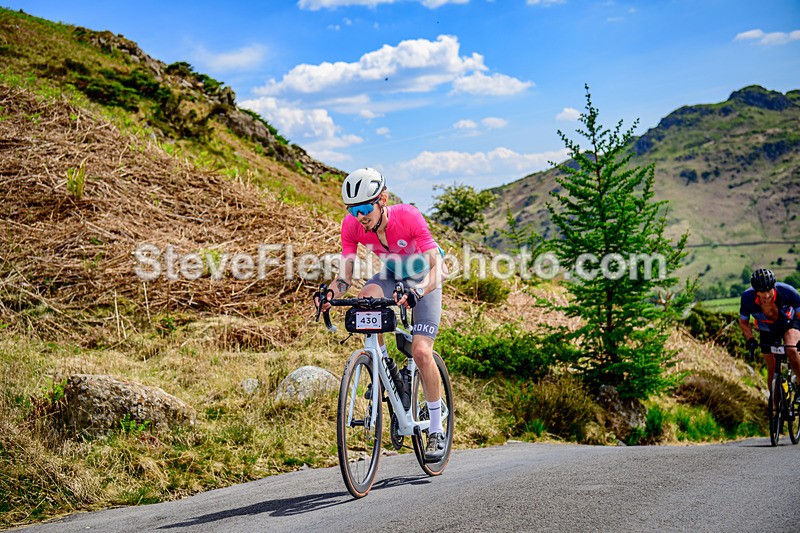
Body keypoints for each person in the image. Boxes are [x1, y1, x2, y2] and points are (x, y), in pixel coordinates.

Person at [320, 167, 448, 461]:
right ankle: (386, 368)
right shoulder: (351, 226)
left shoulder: (408, 216)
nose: (360, 216)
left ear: (383, 200)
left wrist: (418, 292)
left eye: (365, 209)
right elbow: (345, 278)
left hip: (425, 279)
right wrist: (330, 294)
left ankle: (436, 428)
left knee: (421, 352)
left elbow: (439, 268)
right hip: (391, 276)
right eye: (353, 210)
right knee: (365, 298)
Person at [738, 268, 800, 394]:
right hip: (766, 328)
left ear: (774, 286)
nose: (766, 295)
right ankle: (775, 404)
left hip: (789, 323)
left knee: (791, 349)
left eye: (769, 290)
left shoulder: (787, 291)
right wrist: (750, 339)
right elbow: (743, 322)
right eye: (762, 292)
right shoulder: (747, 298)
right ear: (756, 291)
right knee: (772, 368)